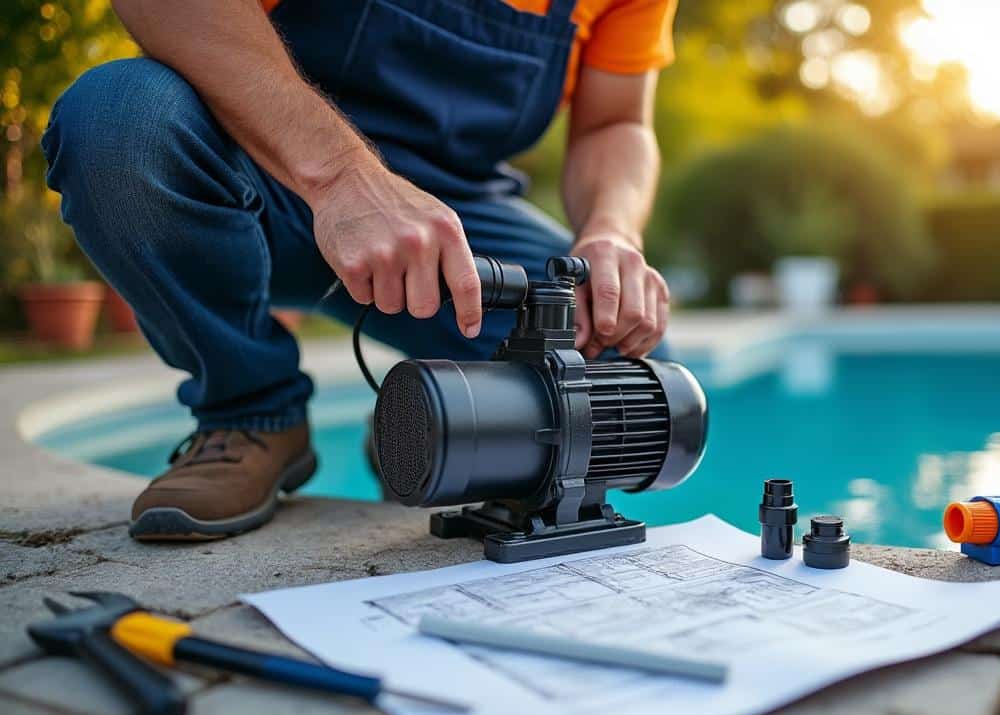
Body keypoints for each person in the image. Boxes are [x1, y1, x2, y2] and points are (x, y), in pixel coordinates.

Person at [43, 0, 677, 541]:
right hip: (246, 172)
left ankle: (439, 429)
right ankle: (250, 413)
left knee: (621, 367)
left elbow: (615, 121)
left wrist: (611, 232)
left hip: (457, 223)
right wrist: (343, 178)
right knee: (116, 121)